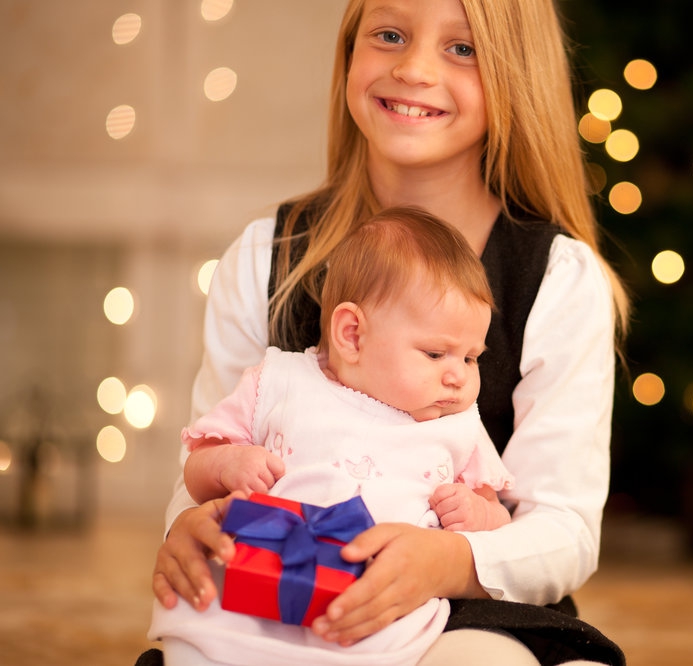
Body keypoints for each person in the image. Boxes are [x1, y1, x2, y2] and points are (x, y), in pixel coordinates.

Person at [147, 0, 630, 664]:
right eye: (389, 35)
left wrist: (444, 559)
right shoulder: (266, 257)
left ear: (516, 75)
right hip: (281, 594)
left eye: (462, 49)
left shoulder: (558, 277)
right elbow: (210, 456)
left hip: (470, 615)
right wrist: (187, 523)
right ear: (350, 52)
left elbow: (565, 530)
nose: (413, 68)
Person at [148, 207, 515, 665]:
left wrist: (478, 514)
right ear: (352, 334)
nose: (458, 377)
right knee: (199, 627)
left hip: (377, 614)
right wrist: (227, 464)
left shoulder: (457, 427)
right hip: (258, 581)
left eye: (471, 358)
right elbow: (198, 469)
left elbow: (500, 522)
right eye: (437, 353)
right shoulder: (279, 382)